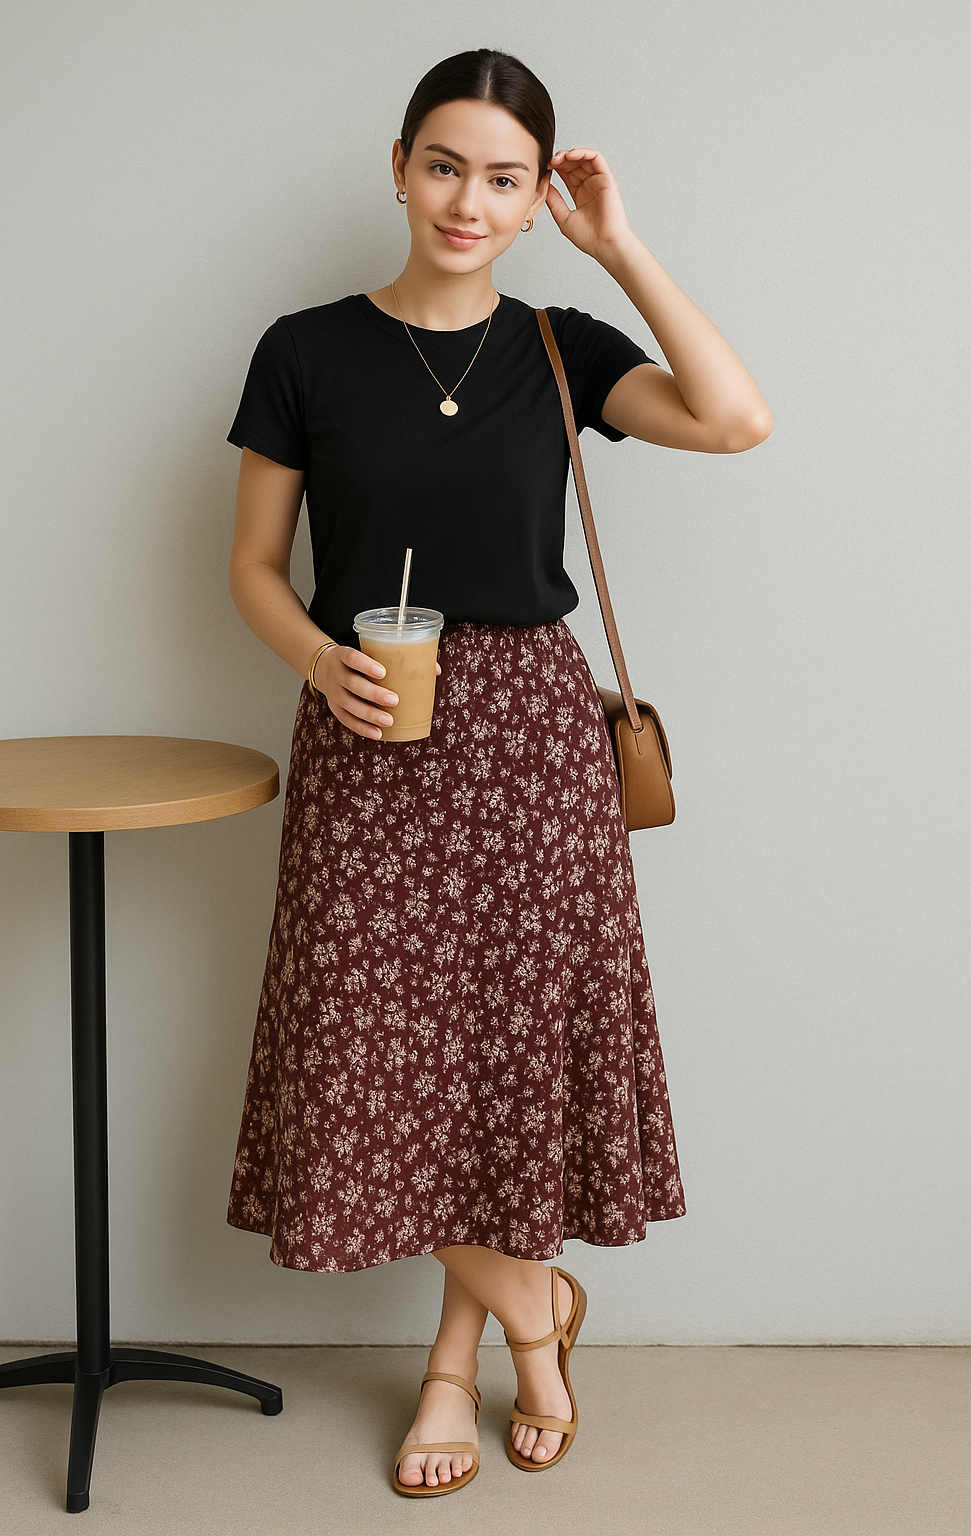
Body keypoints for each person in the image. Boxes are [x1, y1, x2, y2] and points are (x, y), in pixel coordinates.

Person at [223, 47, 772, 1498]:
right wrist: (312, 660)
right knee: (382, 1058)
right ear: (399, 166)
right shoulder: (305, 349)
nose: (470, 199)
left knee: (509, 1060)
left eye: (506, 179)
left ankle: (460, 1368)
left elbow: (736, 419)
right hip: (370, 727)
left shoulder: (561, 346)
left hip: (532, 739)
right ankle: (543, 1319)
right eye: (447, 165)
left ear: (538, 201)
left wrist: (623, 244)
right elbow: (252, 571)